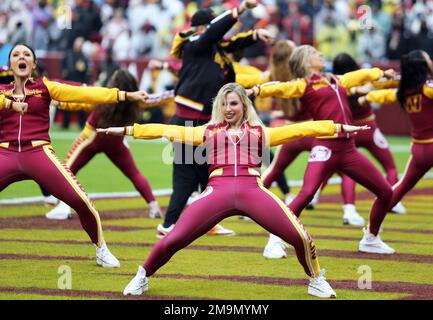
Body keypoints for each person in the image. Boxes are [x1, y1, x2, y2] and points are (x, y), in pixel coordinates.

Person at [98, 82, 369, 298]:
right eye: (224, 104)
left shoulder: (261, 131)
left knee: (299, 236)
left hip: (254, 191)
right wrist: (127, 130)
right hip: (217, 192)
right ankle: (142, 275)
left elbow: (303, 129)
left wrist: (339, 127)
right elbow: (164, 130)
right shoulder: (207, 131)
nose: (229, 108)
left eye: (234, 103)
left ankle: (316, 280)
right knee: (173, 239)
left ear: (243, 105)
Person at [0, 43, 148, 268]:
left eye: (27, 54)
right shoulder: (2, 91)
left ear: (34, 64)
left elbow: (86, 92)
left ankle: (101, 249)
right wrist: (9, 103)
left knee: (81, 201)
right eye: (16, 54)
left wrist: (125, 95)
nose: (21, 57)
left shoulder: (45, 87)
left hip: (38, 152)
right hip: (5, 153)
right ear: (10, 64)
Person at [247, 45, 397, 254]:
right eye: (315, 53)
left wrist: (380, 73)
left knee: (386, 192)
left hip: (349, 149)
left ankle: (371, 238)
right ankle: (275, 238)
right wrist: (256, 90)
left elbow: (358, 76)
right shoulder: (303, 84)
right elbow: (280, 88)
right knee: (306, 194)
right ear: (305, 62)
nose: (321, 54)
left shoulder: (335, 79)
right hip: (325, 147)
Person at [155, 0, 273, 238]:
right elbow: (215, 32)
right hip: (188, 120)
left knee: (208, 174)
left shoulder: (214, 45)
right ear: (200, 27)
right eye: (208, 25)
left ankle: (207, 222)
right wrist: (239, 10)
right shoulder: (193, 43)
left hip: (203, 121)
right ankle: (168, 224)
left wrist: (255, 35)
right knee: (186, 177)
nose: (213, 29)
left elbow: (231, 41)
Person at [45, 69, 172, 220]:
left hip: (92, 138)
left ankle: (63, 206)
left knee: (67, 169)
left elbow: (80, 102)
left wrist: (58, 103)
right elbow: (157, 98)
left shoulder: (103, 97)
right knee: (134, 174)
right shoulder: (135, 101)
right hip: (116, 140)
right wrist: (178, 92)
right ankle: (153, 206)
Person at [332, 52, 406, 222]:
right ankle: (391, 201)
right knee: (390, 167)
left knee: (343, 172)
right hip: (369, 129)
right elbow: (386, 81)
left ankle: (348, 209)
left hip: (348, 130)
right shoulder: (363, 78)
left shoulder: (335, 82)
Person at [358, 50, 433, 213]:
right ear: (424, 65)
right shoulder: (427, 89)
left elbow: (385, 95)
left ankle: (372, 230)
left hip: (418, 149)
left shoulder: (404, 92)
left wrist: (366, 97)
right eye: (428, 59)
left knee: (401, 187)